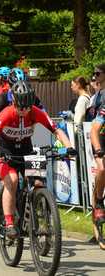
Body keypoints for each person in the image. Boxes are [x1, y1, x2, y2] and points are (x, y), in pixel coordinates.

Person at [0, 81, 75, 239]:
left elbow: (56, 130)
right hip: (5, 152)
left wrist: (68, 147)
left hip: (27, 150)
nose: (24, 111)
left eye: (27, 107)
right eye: (21, 107)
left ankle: (41, 220)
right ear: (13, 102)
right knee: (12, 180)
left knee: (38, 183)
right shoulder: (6, 113)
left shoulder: (35, 112)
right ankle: (9, 224)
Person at [90, 64, 105, 239]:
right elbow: (94, 130)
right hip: (101, 137)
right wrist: (99, 151)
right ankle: (99, 202)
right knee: (101, 168)